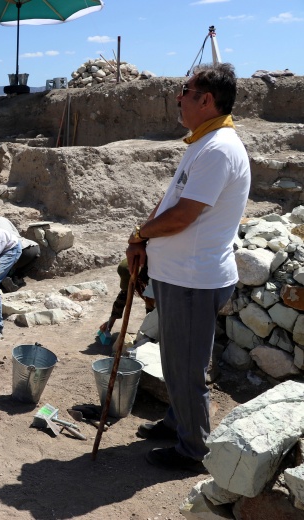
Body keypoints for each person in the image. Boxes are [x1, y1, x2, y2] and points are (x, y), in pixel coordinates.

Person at [126, 63, 250, 473]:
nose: (178, 98)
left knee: (187, 367)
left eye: (185, 91)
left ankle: (193, 450)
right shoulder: (203, 142)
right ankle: (178, 423)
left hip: (194, 279)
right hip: (179, 274)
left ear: (206, 100)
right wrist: (142, 236)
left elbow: (183, 217)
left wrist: (140, 235)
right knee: (176, 359)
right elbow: (171, 204)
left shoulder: (218, 149)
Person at [97, 258, 153, 342]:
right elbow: (123, 296)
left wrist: (150, 329)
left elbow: (152, 303)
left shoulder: (151, 275)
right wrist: (110, 322)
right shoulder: (128, 266)